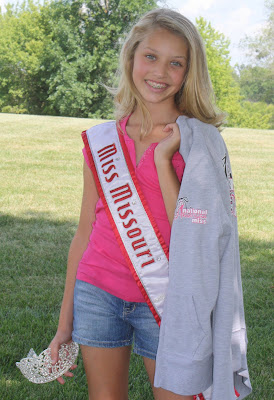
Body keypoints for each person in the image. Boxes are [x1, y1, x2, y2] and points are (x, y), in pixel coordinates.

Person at [49, 8, 251, 400]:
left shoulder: (200, 142)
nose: (159, 72)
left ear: (188, 73)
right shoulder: (103, 141)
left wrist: (163, 161)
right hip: (97, 290)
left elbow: (194, 234)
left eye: (175, 63)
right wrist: (64, 325)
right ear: (131, 59)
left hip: (169, 300)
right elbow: (84, 234)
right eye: (150, 56)